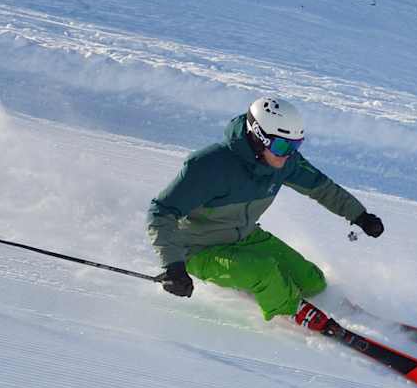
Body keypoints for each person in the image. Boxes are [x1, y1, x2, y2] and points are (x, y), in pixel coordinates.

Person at [146, 96, 383, 330]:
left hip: (246, 237)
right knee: (266, 273)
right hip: (198, 249)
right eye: (282, 146)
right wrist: (173, 266)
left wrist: (360, 216)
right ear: (258, 137)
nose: (288, 154)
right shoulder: (209, 166)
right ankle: (288, 309)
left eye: (295, 146)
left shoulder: (284, 161)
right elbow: (161, 211)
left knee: (312, 279)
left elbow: (322, 188)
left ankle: (289, 294)